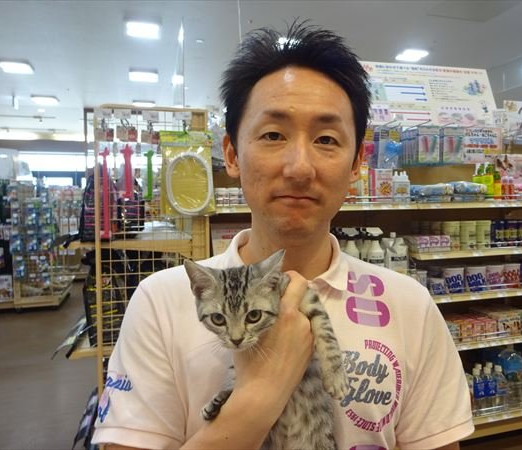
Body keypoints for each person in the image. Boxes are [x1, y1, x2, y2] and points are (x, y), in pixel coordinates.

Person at [92, 21, 473, 450]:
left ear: (355, 165)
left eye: (326, 139)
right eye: (273, 135)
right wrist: (260, 395)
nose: (299, 167)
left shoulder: (410, 306)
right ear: (232, 154)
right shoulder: (160, 302)